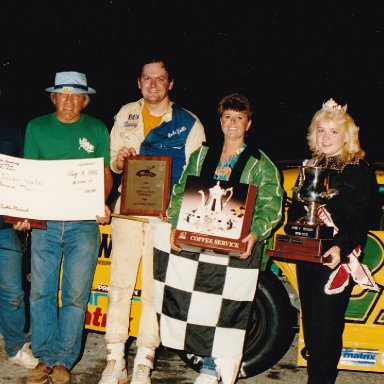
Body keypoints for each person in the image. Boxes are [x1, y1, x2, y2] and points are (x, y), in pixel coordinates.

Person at [161, 93, 284, 384]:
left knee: (231, 309)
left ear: (249, 123)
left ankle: (220, 371)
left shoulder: (260, 163)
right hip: (200, 243)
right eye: (227, 117)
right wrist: (175, 226)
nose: (233, 123)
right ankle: (208, 364)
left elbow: (272, 207)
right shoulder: (202, 154)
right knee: (202, 306)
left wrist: (256, 233)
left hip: (239, 248)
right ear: (220, 121)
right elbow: (180, 193)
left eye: (239, 118)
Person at [98, 57, 205, 384]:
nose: (153, 84)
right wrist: (118, 159)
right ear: (139, 82)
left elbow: (196, 175)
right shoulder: (125, 113)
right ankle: (114, 360)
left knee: (154, 289)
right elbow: (114, 163)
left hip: (164, 218)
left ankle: (145, 360)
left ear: (170, 83)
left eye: (160, 79)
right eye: (147, 78)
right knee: (119, 284)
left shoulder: (189, 123)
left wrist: (175, 213)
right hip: (127, 212)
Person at [24, 71, 113, 384]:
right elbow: (29, 177)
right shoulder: (36, 127)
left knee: (76, 295)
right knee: (40, 293)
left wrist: (99, 202)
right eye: (63, 94)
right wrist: (24, 212)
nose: (69, 101)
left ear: (84, 99)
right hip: (45, 224)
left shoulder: (97, 128)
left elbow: (105, 173)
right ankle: (44, 357)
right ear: (53, 97)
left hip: (82, 225)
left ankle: (63, 360)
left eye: (76, 95)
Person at [287, 98, 379, 384]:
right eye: (321, 130)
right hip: (308, 255)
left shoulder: (359, 170)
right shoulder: (310, 166)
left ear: (346, 135)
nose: (326, 137)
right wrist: (295, 235)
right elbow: (296, 209)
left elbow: (363, 217)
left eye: (333, 131)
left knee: (327, 330)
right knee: (311, 328)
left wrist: (341, 246)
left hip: (338, 258)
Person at [0, 85, 38, 370]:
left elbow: (27, 176)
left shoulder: (14, 129)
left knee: (13, 292)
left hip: (4, 227)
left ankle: (14, 346)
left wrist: (26, 215)